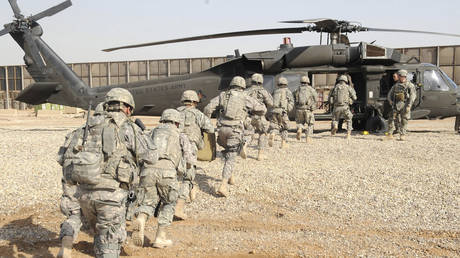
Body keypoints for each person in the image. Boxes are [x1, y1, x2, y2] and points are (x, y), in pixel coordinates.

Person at [58, 88, 157, 258]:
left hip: (84, 196)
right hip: (111, 197)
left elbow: (63, 158)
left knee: (99, 237)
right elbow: (151, 157)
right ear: (127, 108)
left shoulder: (86, 126)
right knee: (109, 245)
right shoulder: (128, 127)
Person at [132, 109, 193, 248]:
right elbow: (189, 160)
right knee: (169, 203)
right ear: (177, 122)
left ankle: (141, 218)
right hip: (168, 172)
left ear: (162, 119)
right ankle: (160, 237)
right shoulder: (180, 135)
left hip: (147, 171)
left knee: (147, 202)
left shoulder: (152, 132)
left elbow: (141, 152)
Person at [204, 76, 266, 197]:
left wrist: (207, 123)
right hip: (235, 130)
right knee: (232, 155)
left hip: (221, 129)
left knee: (227, 151)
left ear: (231, 85)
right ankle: (223, 185)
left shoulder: (223, 96)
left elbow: (208, 108)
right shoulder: (246, 98)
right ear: (243, 86)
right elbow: (262, 110)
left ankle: (231, 176)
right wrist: (250, 113)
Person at [56, 102, 105, 258]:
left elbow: (60, 158)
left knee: (74, 215)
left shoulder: (76, 132)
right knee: (100, 214)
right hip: (87, 181)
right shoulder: (105, 132)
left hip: (69, 177)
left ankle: (66, 246)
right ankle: (100, 248)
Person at [174, 90, 214, 220]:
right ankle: (178, 208)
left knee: (174, 175)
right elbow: (210, 128)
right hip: (190, 148)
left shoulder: (175, 112)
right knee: (187, 176)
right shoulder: (198, 114)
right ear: (195, 102)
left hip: (173, 147)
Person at [244, 73, 273, 160]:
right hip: (260, 116)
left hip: (249, 116)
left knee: (249, 132)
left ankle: (244, 146)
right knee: (262, 133)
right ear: (261, 81)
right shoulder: (264, 91)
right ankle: (260, 154)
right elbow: (271, 103)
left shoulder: (246, 91)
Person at [385, 69, 416, 141]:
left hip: (405, 105)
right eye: (401, 76)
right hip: (396, 105)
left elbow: (413, 96)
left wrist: (409, 105)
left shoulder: (410, 85)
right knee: (391, 119)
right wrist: (390, 101)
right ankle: (390, 134)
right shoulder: (396, 85)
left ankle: (402, 134)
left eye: (404, 76)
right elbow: (390, 94)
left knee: (404, 120)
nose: (402, 78)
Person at [269, 77, 294, 148]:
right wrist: (287, 109)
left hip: (274, 111)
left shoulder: (275, 91)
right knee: (285, 127)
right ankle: (283, 143)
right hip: (282, 112)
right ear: (286, 83)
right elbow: (291, 102)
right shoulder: (288, 91)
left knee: (274, 126)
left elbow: (271, 100)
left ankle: (273, 134)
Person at [329, 75, 357, 139]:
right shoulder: (348, 87)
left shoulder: (335, 88)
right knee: (349, 119)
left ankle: (335, 126)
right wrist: (350, 100)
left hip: (336, 107)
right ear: (345, 80)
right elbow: (355, 98)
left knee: (335, 119)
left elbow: (330, 98)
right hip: (345, 107)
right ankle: (348, 134)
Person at [294, 75, 318, 143]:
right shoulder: (311, 89)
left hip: (299, 109)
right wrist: (313, 106)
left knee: (299, 122)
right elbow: (316, 99)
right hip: (308, 109)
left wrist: (296, 106)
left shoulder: (297, 89)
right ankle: (308, 138)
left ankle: (300, 129)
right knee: (310, 123)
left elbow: (294, 98)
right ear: (308, 81)